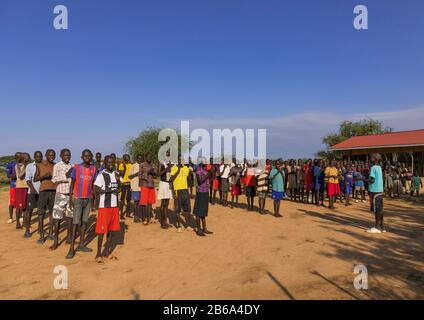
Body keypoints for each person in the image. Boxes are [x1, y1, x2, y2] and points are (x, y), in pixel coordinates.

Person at [67, 149, 97, 259]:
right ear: (82, 157)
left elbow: (93, 185)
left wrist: (94, 200)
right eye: (85, 156)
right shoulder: (76, 168)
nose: (87, 158)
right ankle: (71, 248)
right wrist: (70, 197)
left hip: (88, 198)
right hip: (78, 198)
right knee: (75, 222)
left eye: (89, 156)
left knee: (84, 222)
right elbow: (72, 182)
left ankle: (81, 244)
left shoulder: (94, 169)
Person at [94, 155, 121, 264]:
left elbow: (119, 187)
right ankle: (98, 253)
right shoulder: (102, 175)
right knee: (101, 231)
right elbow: (96, 188)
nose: (111, 164)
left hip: (114, 205)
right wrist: (107, 191)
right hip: (104, 206)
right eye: (109, 162)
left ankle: (107, 252)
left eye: (112, 162)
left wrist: (118, 180)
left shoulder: (115, 174)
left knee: (111, 230)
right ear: (105, 164)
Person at [50, 149, 73, 251]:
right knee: (57, 218)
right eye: (65, 155)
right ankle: (55, 241)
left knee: (70, 217)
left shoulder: (72, 166)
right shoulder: (57, 166)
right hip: (60, 194)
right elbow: (54, 179)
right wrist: (65, 176)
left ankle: (69, 238)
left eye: (69, 155)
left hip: (71, 195)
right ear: (61, 156)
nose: (67, 157)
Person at [34, 149, 56, 244]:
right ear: (46, 155)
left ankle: (51, 233)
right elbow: (35, 179)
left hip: (54, 191)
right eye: (50, 155)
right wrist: (44, 176)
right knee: (41, 213)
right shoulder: (40, 165)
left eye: (53, 155)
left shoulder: (56, 166)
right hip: (43, 192)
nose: (52, 157)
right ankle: (42, 235)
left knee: (52, 213)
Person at [170, 157, 194, 233]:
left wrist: (190, 172)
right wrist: (178, 170)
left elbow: (188, 177)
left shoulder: (186, 168)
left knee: (188, 209)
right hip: (178, 190)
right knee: (177, 209)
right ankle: (179, 226)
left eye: (182, 160)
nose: (181, 161)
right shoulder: (174, 168)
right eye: (179, 160)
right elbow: (172, 179)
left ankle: (187, 225)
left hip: (185, 190)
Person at [193, 158, 214, 236]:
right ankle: (199, 229)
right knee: (198, 212)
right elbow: (200, 181)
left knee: (203, 211)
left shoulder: (205, 170)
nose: (207, 163)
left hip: (205, 192)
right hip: (200, 192)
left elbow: (209, 180)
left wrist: (212, 174)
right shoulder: (198, 170)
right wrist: (209, 173)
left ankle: (204, 228)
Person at [24, 151, 43, 238]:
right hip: (32, 192)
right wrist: (32, 189)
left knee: (41, 211)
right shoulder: (30, 166)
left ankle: (40, 229)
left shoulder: (45, 165)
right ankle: (27, 230)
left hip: (43, 192)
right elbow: (28, 179)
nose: (39, 158)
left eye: (40, 156)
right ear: (34, 157)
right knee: (29, 210)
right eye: (37, 156)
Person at [367, 153, 385, 233]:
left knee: (377, 209)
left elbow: (372, 180)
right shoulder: (379, 167)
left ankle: (377, 226)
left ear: (376, 159)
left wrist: (364, 179)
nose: (370, 158)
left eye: (372, 157)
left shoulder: (373, 167)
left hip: (374, 190)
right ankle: (382, 226)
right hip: (380, 190)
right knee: (380, 209)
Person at [138, 154, 157, 225]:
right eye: (148, 157)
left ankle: (148, 218)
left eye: (151, 157)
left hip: (151, 185)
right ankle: (143, 219)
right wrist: (147, 172)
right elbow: (139, 175)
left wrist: (154, 173)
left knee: (150, 203)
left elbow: (155, 176)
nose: (150, 158)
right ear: (146, 157)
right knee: (143, 203)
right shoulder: (142, 165)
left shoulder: (153, 165)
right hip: (144, 185)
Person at [157, 155, 174, 229]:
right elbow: (158, 174)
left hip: (169, 184)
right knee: (163, 203)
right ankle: (162, 223)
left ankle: (166, 222)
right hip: (163, 183)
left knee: (167, 204)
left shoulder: (171, 162)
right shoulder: (161, 162)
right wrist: (167, 168)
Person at [14, 153, 30, 229]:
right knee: (18, 207)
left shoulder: (28, 165)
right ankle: (17, 223)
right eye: (27, 157)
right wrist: (26, 167)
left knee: (26, 207)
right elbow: (20, 176)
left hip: (27, 187)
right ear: (23, 158)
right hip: (20, 187)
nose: (28, 158)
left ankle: (24, 223)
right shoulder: (18, 165)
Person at [6, 152, 20, 224]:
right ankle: (11, 217)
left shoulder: (23, 164)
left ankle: (20, 216)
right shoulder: (10, 164)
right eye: (19, 156)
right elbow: (8, 175)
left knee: (21, 201)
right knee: (11, 202)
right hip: (14, 186)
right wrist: (17, 176)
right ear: (16, 157)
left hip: (22, 186)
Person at [128, 154, 142, 223]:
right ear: (137, 159)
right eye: (139, 158)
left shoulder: (143, 166)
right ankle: (135, 217)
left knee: (140, 202)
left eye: (141, 158)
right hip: (135, 187)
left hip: (142, 187)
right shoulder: (133, 166)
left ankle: (138, 216)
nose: (140, 159)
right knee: (136, 202)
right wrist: (136, 174)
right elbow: (129, 176)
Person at [118, 154, 132, 219]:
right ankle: (121, 214)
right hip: (123, 184)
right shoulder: (121, 165)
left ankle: (128, 213)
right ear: (124, 158)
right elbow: (121, 175)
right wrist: (124, 168)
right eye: (127, 157)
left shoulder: (130, 165)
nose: (128, 158)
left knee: (128, 199)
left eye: (128, 157)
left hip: (129, 184)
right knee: (122, 200)